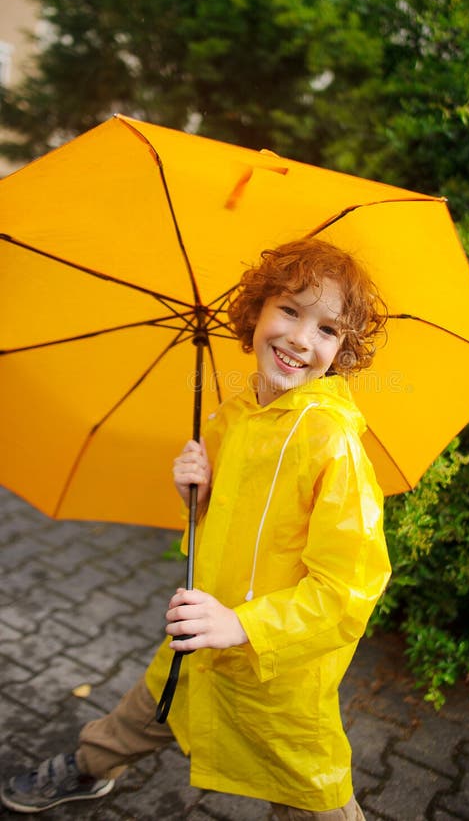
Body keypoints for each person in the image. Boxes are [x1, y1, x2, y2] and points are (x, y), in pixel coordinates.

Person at [1, 238, 391, 819]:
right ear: (256, 311)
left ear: (344, 350)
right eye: (288, 310)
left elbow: (348, 590)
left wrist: (242, 625)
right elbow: (231, 529)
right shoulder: (233, 415)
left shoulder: (331, 443)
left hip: (274, 675)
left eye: (328, 329)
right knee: (149, 708)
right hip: (200, 636)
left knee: (313, 795)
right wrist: (198, 498)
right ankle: (93, 764)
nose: (301, 340)